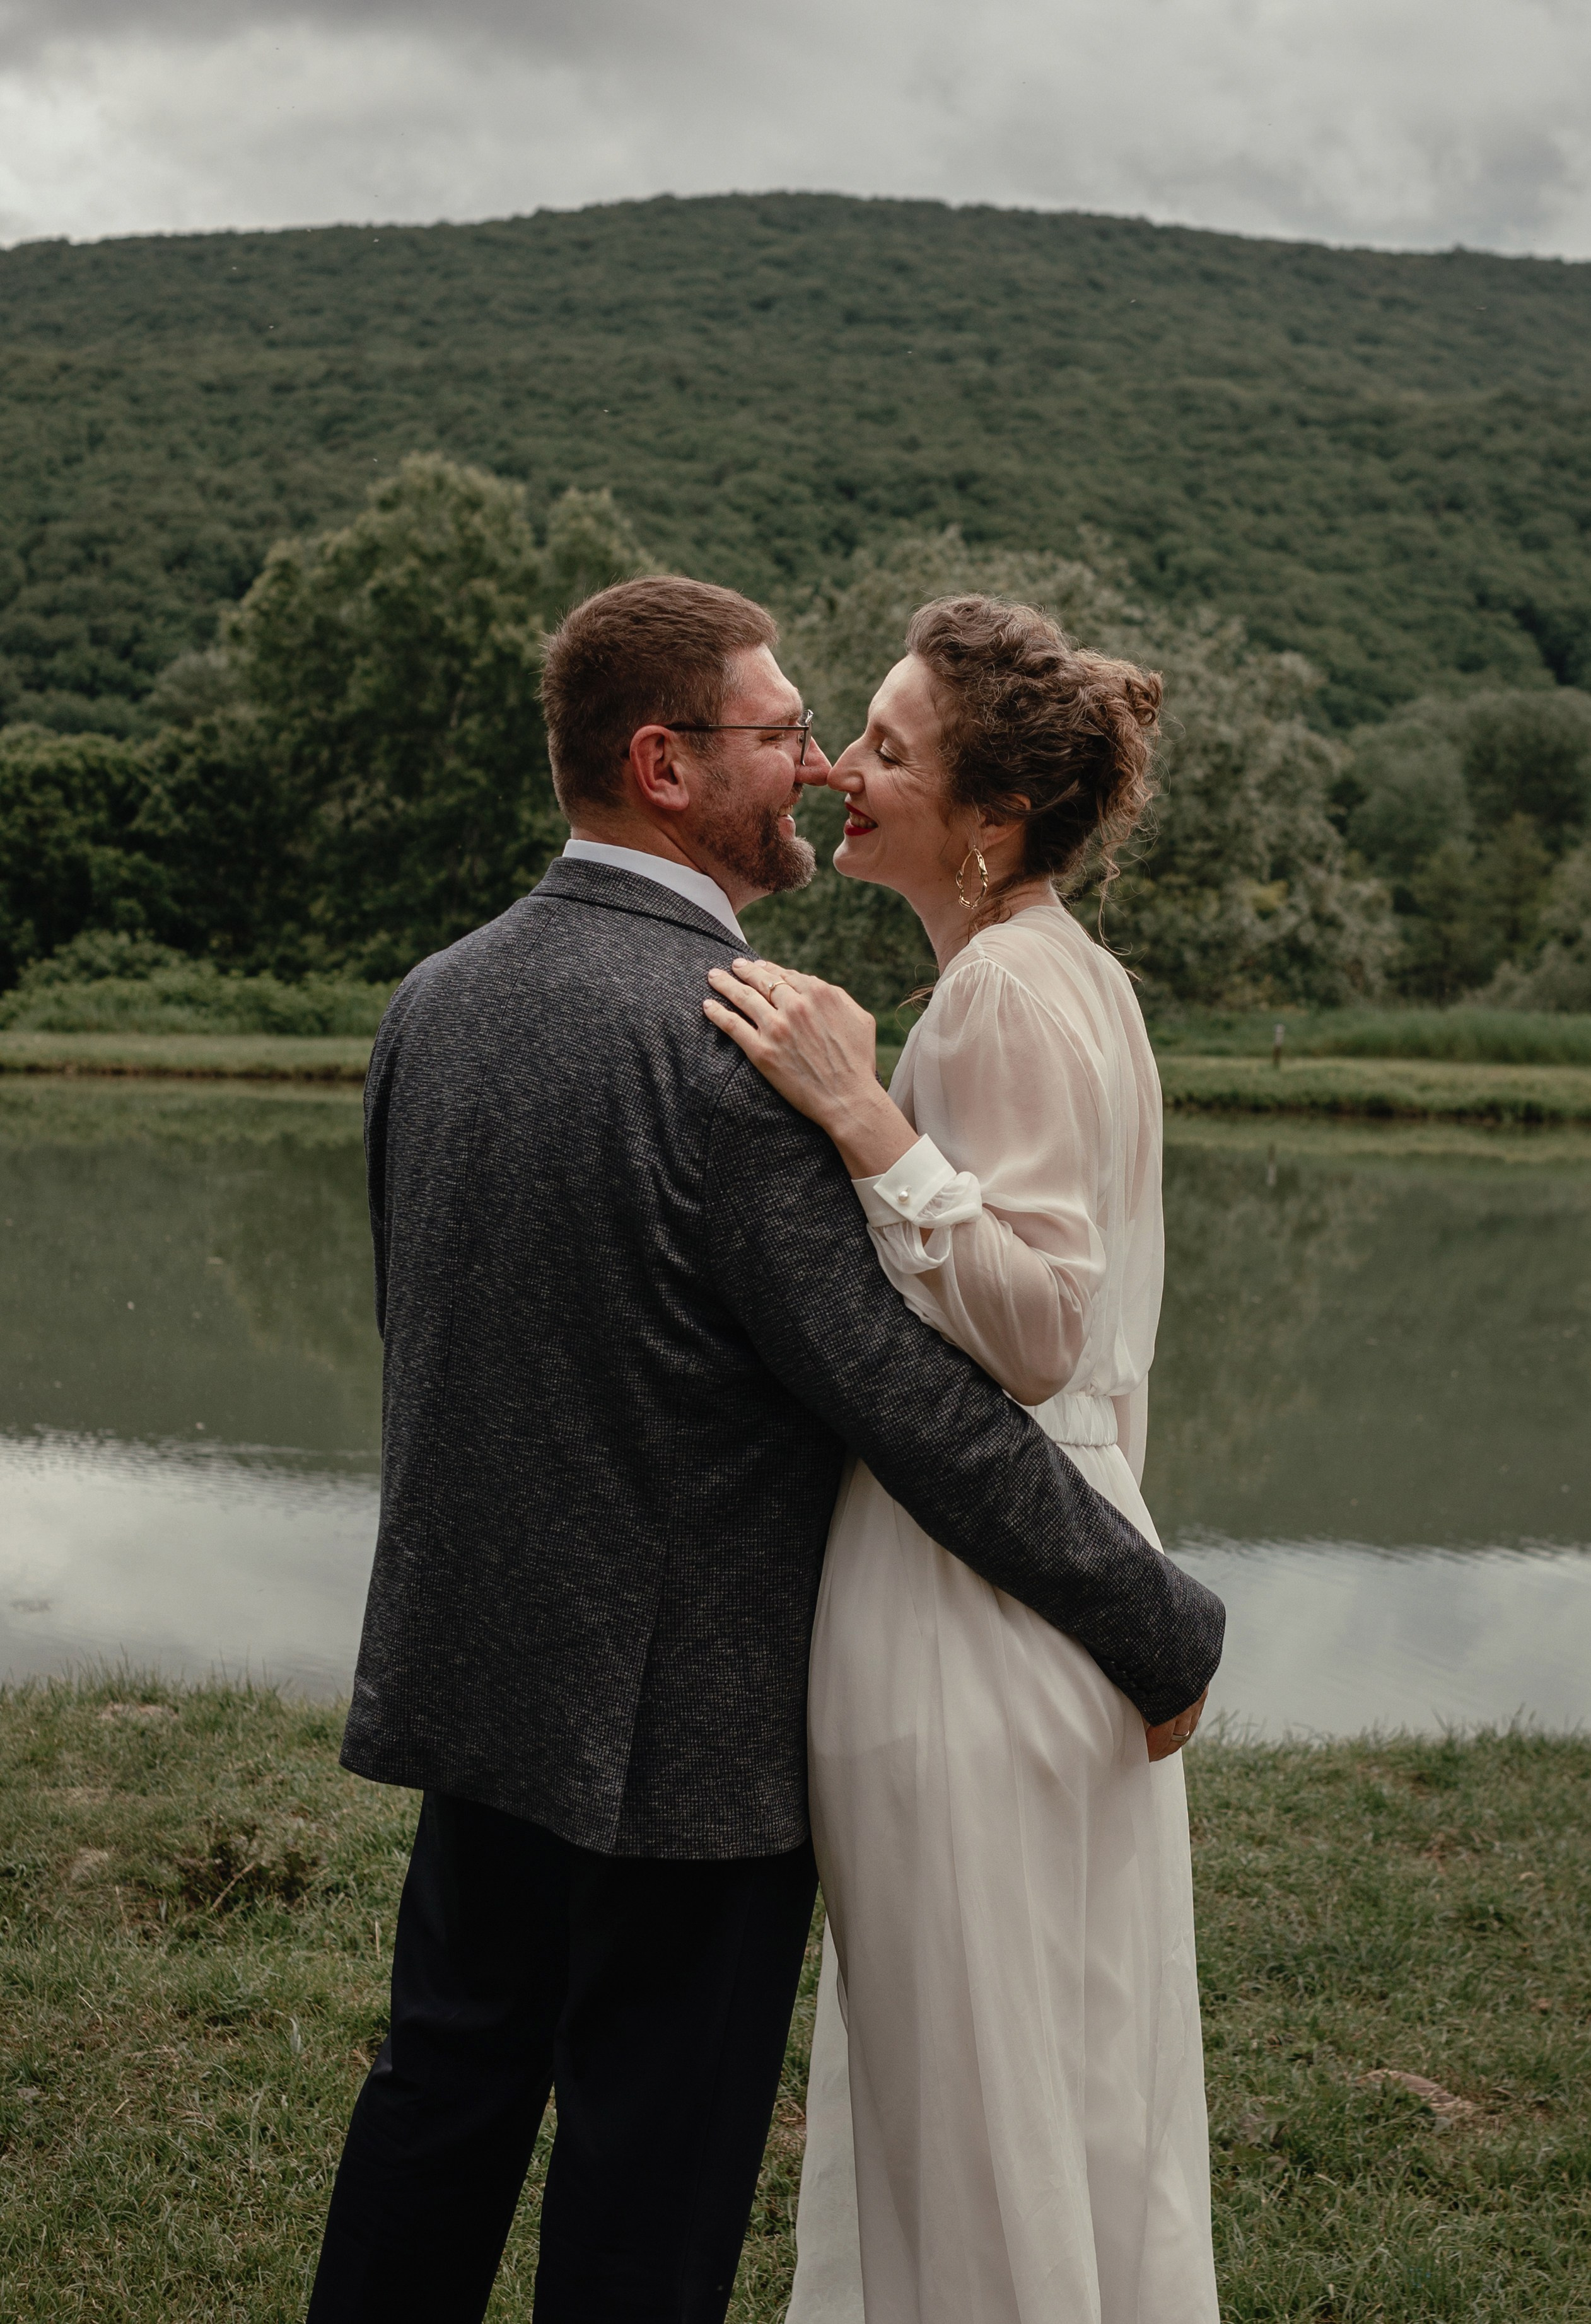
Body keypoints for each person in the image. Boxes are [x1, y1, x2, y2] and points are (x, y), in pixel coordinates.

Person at [305, 576, 1222, 2324]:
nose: (814, 767)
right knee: (647, 2195)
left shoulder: (429, 1002)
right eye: (785, 731)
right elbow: (908, 1401)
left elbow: (444, 1346)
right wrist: (1152, 1615)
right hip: (690, 1746)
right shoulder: (739, 1042)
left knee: (438, 2106)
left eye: (848, 737)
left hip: (475, 1685)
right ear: (663, 764)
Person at [704, 595, 1219, 2323]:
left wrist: (864, 1118)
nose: (844, 768)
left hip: (974, 1592)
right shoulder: (1063, 974)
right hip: (1061, 1560)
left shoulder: (996, 993)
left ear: (990, 819)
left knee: (968, 2086)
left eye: (892, 750)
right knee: (1054, 2080)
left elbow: (1038, 1325)